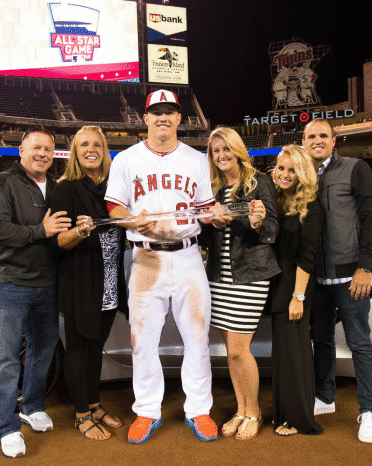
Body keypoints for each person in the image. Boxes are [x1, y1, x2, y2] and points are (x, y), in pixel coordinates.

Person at [105, 89, 219, 444]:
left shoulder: (197, 160)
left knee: (197, 338)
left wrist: (219, 215)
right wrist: (129, 221)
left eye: (170, 112)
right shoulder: (126, 159)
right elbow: (114, 207)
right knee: (143, 341)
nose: (163, 118)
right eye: (156, 112)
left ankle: (199, 410)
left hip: (188, 257)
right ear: (146, 118)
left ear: (179, 118)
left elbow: (206, 207)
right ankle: (147, 411)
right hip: (146, 259)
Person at [0, 126, 71, 458]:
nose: (42, 153)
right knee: (5, 359)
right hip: (9, 284)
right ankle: (6, 427)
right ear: (21, 150)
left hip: (47, 284)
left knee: (43, 350)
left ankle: (31, 406)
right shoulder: (2, 183)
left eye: (48, 149)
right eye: (35, 148)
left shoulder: (57, 188)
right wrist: (39, 230)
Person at [302, 119, 372, 443]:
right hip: (315, 279)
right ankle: (325, 397)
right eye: (311, 136)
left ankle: (370, 410)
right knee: (320, 340)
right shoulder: (301, 175)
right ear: (304, 141)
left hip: (350, 275)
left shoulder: (355, 169)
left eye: (324, 135)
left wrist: (366, 266)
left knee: (360, 342)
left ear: (333, 141)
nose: (317, 140)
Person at [48, 126, 127, 441]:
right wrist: (80, 232)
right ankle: (81, 414)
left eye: (97, 144)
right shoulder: (65, 189)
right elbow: (58, 242)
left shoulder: (112, 188)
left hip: (108, 283)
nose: (91, 149)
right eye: (84, 144)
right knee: (79, 349)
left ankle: (94, 404)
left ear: (105, 150)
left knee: (96, 347)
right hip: (80, 282)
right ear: (75, 152)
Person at [203, 127, 280, 440]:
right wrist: (210, 222)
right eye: (215, 151)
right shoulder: (212, 188)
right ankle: (240, 408)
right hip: (219, 277)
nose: (221, 155)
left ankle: (254, 412)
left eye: (226, 149)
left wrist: (255, 221)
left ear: (237, 150)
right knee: (229, 350)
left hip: (249, 274)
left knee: (239, 350)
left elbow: (273, 228)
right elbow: (207, 236)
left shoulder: (258, 182)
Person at [269, 145, 322, 437]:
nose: (284, 174)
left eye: (291, 169)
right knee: (282, 355)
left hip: (294, 288)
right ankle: (283, 416)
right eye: (281, 168)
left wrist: (298, 296)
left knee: (295, 354)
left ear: (302, 173)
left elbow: (307, 255)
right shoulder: (276, 200)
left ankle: (300, 420)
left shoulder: (310, 204)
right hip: (277, 285)